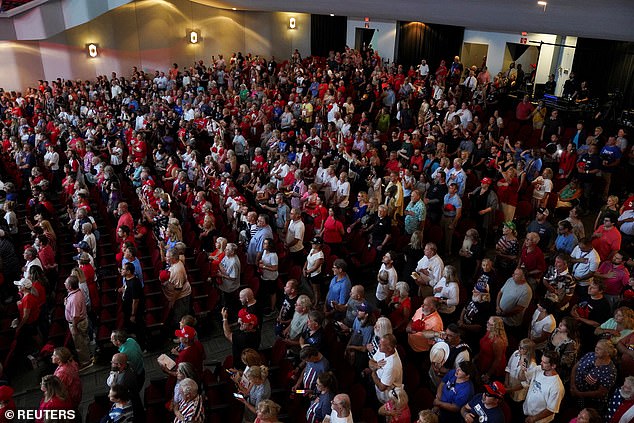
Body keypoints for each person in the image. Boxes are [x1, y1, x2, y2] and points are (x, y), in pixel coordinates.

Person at [570, 339, 617, 410]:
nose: (596, 350)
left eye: (599, 349)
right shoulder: (590, 355)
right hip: (574, 390)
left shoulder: (610, 371)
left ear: (607, 353)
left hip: (590, 402)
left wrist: (579, 394)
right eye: (596, 347)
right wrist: (572, 385)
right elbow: (575, 367)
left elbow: (601, 392)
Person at [520, 350, 565, 423]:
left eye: (544, 362)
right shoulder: (538, 369)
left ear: (553, 366)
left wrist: (533, 419)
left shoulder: (557, 386)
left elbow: (551, 409)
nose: (541, 363)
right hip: (526, 411)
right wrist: (522, 370)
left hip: (539, 420)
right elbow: (522, 378)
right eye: (541, 360)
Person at [63, 275, 92, 369]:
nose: (64, 284)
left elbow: (75, 316)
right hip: (81, 321)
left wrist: (74, 327)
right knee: (84, 340)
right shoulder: (76, 292)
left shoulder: (75, 298)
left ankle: (85, 362)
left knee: (80, 344)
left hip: (77, 323)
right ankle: (88, 356)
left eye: (66, 283)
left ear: (70, 286)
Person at [366, 333, 403, 404]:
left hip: (388, 396)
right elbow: (371, 361)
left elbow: (382, 387)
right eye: (379, 343)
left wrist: (373, 373)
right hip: (378, 384)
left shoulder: (392, 366)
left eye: (381, 345)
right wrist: (376, 365)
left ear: (389, 348)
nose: (378, 345)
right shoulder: (382, 350)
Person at [475, 316, 508, 383]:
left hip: (491, 365)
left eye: (490, 324)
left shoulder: (497, 341)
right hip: (483, 359)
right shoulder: (489, 332)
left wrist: (488, 374)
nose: (487, 325)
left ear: (495, 327)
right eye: (487, 322)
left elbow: (498, 359)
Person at [51, 347, 82, 411]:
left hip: (70, 401)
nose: (51, 357)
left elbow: (58, 390)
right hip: (76, 396)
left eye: (54, 355)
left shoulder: (62, 373)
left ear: (59, 359)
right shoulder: (71, 363)